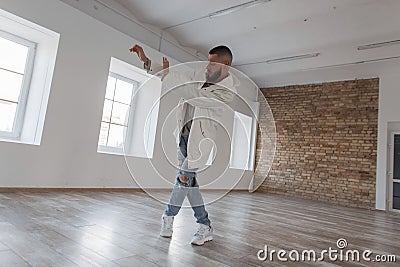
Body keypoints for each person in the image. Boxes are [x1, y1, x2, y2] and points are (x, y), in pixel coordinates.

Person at [130, 44, 238, 245]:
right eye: (207, 62)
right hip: (183, 137)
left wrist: (170, 78)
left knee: (183, 179)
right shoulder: (200, 74)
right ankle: (205, 225)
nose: (207, 67)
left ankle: (168, 216)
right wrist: (147, 61)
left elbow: (195, 96)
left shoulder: (228, 92)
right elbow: (176, 76)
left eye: (212, 64)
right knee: (190, 185)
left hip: (200, 142)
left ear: (226, 64)